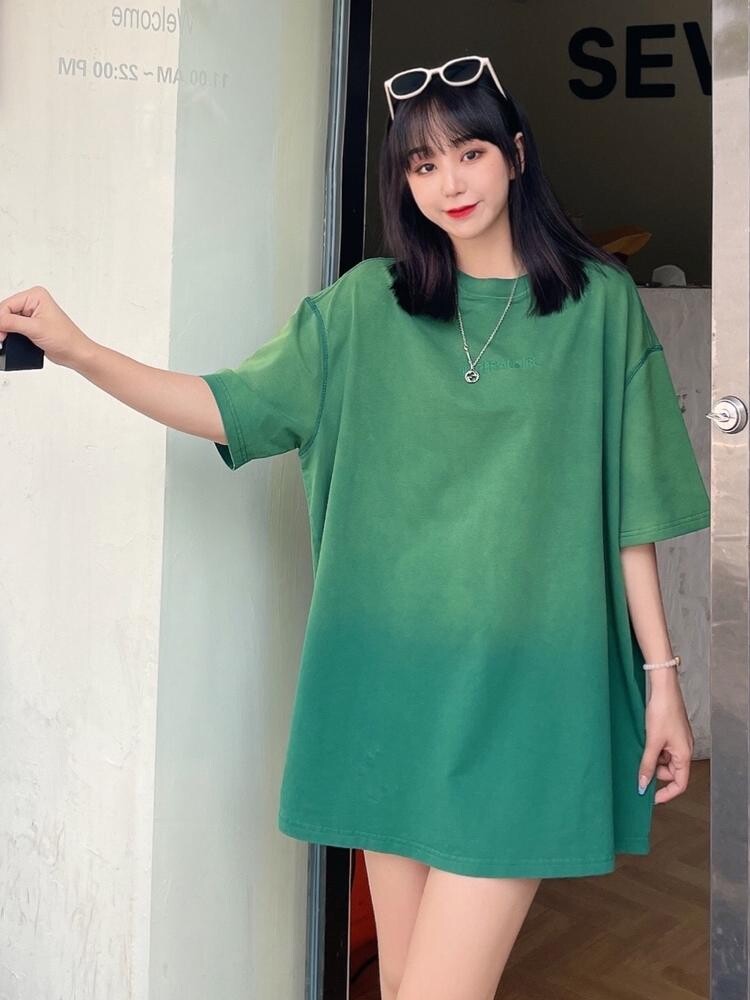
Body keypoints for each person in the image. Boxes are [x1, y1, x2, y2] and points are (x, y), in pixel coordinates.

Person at [0, 54, 710, 1000]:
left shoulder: (598, 304)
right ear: (402, 183)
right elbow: (229, 406)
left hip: (532, 694)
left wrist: (662, 680)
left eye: (469, 152)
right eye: (423, 164)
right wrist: (80, 351)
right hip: (391, 687)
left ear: (516, 153)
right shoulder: (366, 307)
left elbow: (632, 511)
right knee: (406, 984)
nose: (450, 182)